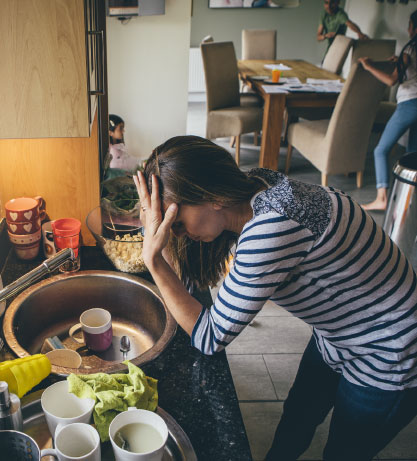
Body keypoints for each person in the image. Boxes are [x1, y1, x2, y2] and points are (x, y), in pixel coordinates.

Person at [134, 135, 417, 461]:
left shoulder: (271, 228)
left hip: (390, 350)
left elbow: (208, 336)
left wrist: (153, 258)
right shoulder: (258, 185)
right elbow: (184, 286)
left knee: (344, 451)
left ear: (212, 197)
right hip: (338, 333)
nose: (177, 233)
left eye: (177, 223)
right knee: (298, 415)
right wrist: (154, 232)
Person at [359, 10, 417, 211]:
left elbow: (392, 80)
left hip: (409, 104)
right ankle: (412, 199)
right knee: (413, 153)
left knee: (381, 149)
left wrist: (368, 66)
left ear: (414, 27)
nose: (408, 29)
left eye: (410, 24)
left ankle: (381, 198)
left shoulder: (409, 50)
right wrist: (399, 63)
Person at [106, 114, 139, 179]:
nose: (123, 131)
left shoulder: (118, 146)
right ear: (110, 132)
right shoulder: (112, 150)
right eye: (120, 128)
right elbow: (117, 166)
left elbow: (128, 160)